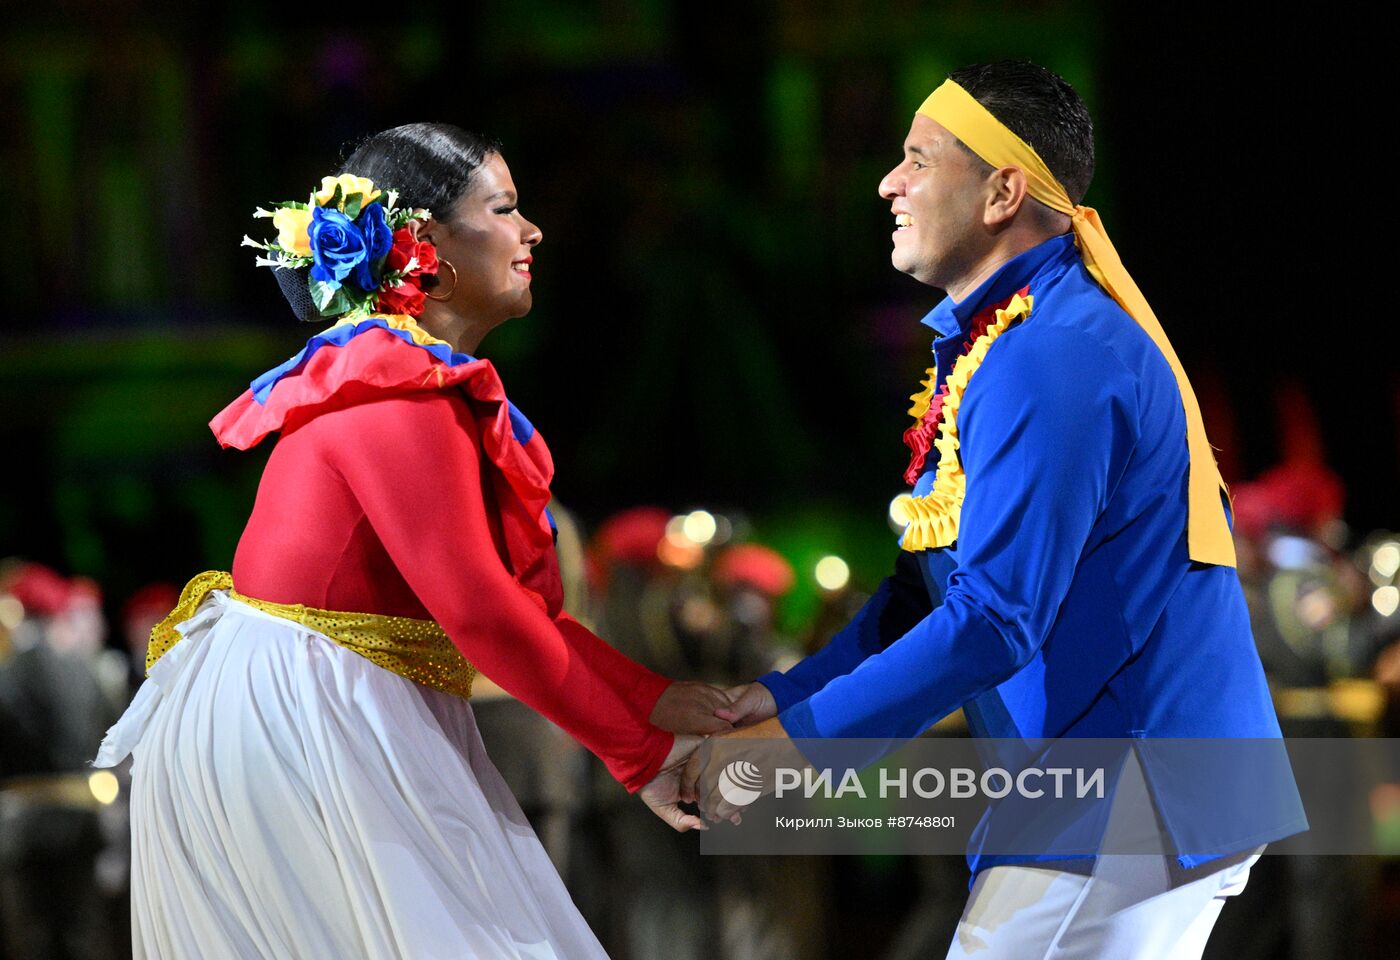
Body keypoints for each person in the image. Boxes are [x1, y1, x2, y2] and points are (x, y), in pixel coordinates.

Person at [689, 61, 1306, 958]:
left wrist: (793, 747)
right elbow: (923, 595)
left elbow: (994, 623)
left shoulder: (1050, 354)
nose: (887, 182)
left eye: (917, 159)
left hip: (1133, 791)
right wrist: (782, 695)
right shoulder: (1007, 339)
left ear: (1002, 191)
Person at [94, 123, 731, 959]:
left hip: (333, 699)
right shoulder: (395, 392)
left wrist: (651, 699)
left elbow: (514, 613)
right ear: (424, 240)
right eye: (504, 208)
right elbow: (484, 614)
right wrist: (640, 754)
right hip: (311, 717)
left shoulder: (396, 376)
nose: (532, 230)